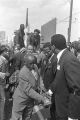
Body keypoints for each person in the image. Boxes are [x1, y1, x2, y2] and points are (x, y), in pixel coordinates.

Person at [49, 34, 80, 120]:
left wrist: (73, 115)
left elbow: (76, 88)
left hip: (66, 110)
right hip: (60, 106)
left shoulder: (69, 59)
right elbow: (59, 78)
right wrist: (50, 90)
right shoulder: (61, 57)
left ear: (53, 47)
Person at [11, 54, 48, 120]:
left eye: (33, 63)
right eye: (30, 63)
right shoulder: (22, 73)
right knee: (16, 118)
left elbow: (37, 78)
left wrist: (40, 87)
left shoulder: (35, 66)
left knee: (27, 117)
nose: (32, 65)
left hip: (30, 99)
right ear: (25, 63)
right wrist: (42, 98)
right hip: (21, 99)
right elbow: (28, 90)